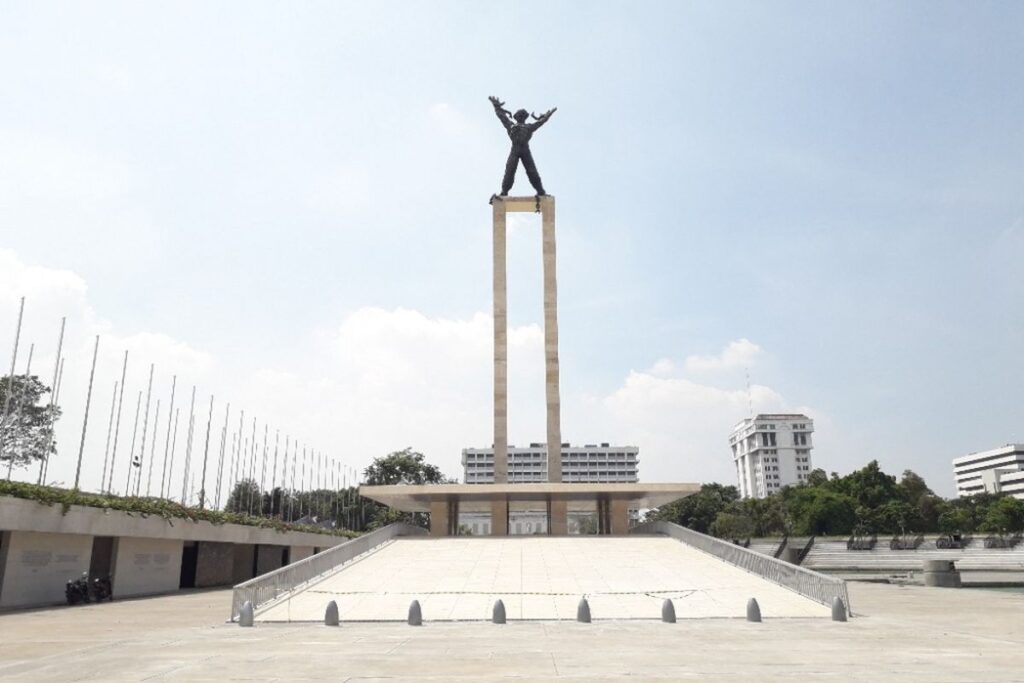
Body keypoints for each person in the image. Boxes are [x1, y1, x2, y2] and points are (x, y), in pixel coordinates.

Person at [489, 96, 556, 196]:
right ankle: (504, 191)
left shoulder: (529, 127)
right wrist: (496, 107)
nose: (521, 116)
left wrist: (547, 116)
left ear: (525, 117)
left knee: (532, 170)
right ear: (516, 117)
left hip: (525, 149)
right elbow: (502, 116)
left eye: (522, 115)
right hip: (515, 149)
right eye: (519, 115)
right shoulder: (511, 125)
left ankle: (540, 191)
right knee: (510, 170)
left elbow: (540, 122)